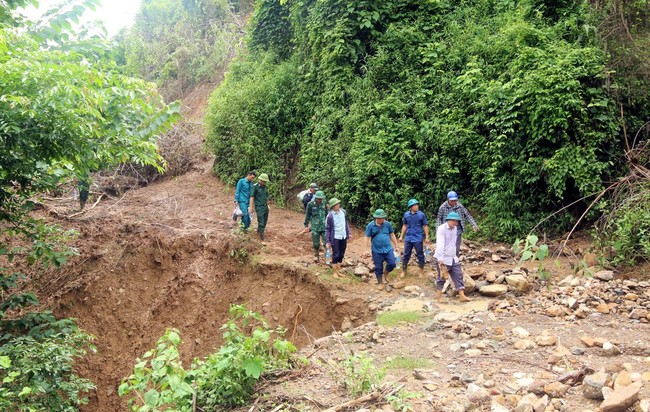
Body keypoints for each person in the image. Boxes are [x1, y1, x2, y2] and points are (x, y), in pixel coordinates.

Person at [434, 212, 471, 303]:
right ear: (449, 220)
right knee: (441, 277)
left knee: (458, 275)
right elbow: (440, 243)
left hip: (452, 256)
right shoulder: (441, 229)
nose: (456, 223)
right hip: (442, 257)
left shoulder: (455, 229)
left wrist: (455, 256)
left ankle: (462, 296)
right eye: (455, 221)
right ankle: (439, 298)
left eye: (457, 221)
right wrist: (441, 259)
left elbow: (453, 243)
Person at [365, 209, 399, 290]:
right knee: (378, 267)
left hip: (388, 248)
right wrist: (365, 249)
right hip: (376, 250)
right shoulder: (370, 226)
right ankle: (380, 282)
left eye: (383, 218)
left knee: (392, 263)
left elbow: (392, 234)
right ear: (376, 218)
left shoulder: (387, 224)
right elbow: (367, 237)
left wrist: (396, 245)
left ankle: (386, 272)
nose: (381, 220)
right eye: (380, 218)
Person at [436, 191, 479, 257]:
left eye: (455, 200)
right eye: (452, 201)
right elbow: (439, 219)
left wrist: (474, 225)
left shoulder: (460, 206)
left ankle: (455, 261)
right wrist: (438, 232)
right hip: (446, 230)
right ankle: (444, 261)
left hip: (457, 230)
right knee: (446, 247)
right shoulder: (442, 207)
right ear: (448, 199)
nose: (454, 202)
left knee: (456, 247)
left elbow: (467, 215)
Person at [399, 198, 429, 279]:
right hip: (408, 237)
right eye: (415, 205)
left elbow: (425, 226)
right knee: (406, 254)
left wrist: (427, 237)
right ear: (410, 207)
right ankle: (404, 270)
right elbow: (404, 225)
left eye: (417, 205)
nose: (417, 206)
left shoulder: (421, 215)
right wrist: (401, 236)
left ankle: (421, 271)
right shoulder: (406, 215)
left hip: (418, 237)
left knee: (420, 254)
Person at [325, 198, 351, 278]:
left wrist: (348, 233)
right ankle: (334, 272)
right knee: (336, 255)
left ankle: (338, 271)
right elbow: (327, 229)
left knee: (341, 254)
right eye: (336, 204)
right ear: (333, 206)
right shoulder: (330, 216)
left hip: (343, 236)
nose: (338, 205)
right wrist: (328, 241)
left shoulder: (343, 212)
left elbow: (345, 223)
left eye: (338, 204)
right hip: (335, 237)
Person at [304, 190, 327, 262]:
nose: (320, 200)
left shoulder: (324, 203)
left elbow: (327, 214)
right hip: (315, 227)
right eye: (318, 199)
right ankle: (316, 256)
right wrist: (306, 226)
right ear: (315, 198)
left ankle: (327, 258)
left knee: (326, 243)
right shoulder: (310, 204)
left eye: (321, 199)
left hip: (324, 226)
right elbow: (307, 215)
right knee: (316, 243)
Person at [249, 173, 269, 240]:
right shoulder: (255, 187)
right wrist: (251, 207)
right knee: (261, 222)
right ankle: (261, 238)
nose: (265, 182)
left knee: (264, 222)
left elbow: (266, 197)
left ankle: (258, 232)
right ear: (260, 180)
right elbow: (252, 197)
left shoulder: (265, 187)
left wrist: (267, 205)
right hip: (259, 207)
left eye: (266, 181)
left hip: (265, 207)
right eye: (264, 181)